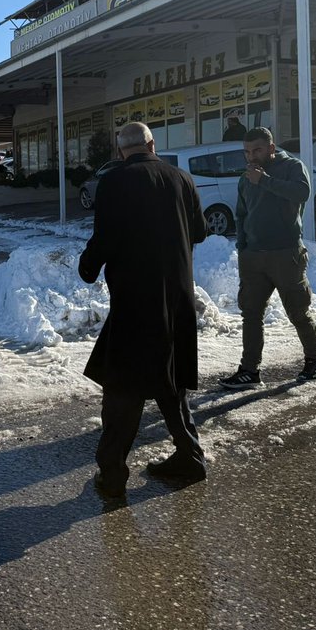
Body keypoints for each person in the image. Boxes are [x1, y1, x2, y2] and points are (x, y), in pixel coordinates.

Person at [78, 121, 208, 499]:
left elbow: (105, 236)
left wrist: (89, 266)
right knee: (171, 380)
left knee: (124, 387)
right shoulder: (182, 178)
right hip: (177, 296)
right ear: (152, 144)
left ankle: (113, 472)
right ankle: (190, 458)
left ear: (121, 151)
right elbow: (198, 232)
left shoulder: (115, 182)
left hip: (136, 299)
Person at [220, 127, 316, 390]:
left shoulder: (292, 167)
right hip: (254, 257)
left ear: (271, 147)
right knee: (251, 314)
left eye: (256, 150)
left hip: (285, 253)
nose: (250, 156)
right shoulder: (246, 178)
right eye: (246, 152)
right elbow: (241, 213)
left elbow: (301, 193)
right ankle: (249, 371)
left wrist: (264, 180)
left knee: (298, 312)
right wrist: (243, 246)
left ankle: (315, 361)